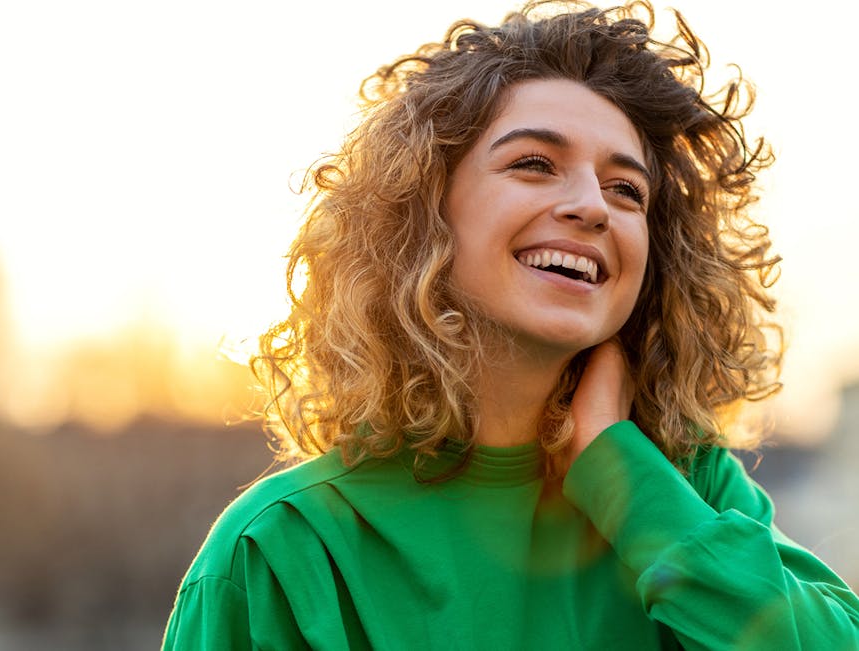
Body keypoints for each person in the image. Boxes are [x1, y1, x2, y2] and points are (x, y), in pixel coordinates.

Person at [163, 2, 859, 649]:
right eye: (534, 164)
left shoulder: (688, 489)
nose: (592, 205)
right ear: (422, 212)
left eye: (626, 189)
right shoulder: (281, 551)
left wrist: (624, 478)